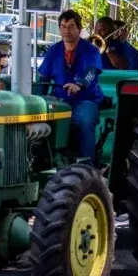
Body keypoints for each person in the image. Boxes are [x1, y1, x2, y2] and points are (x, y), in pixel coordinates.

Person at [39, 10, 104, 162]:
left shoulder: (91, 50)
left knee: (84, 120)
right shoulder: (53, 51)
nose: (66, 31)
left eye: (71, 27)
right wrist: (36, 100)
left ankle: (88, 168)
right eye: (63, 26)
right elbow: (42, 78)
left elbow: (91, 72)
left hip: (86, 100)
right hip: (60, 101)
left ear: (79, 29)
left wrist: (79, 85)